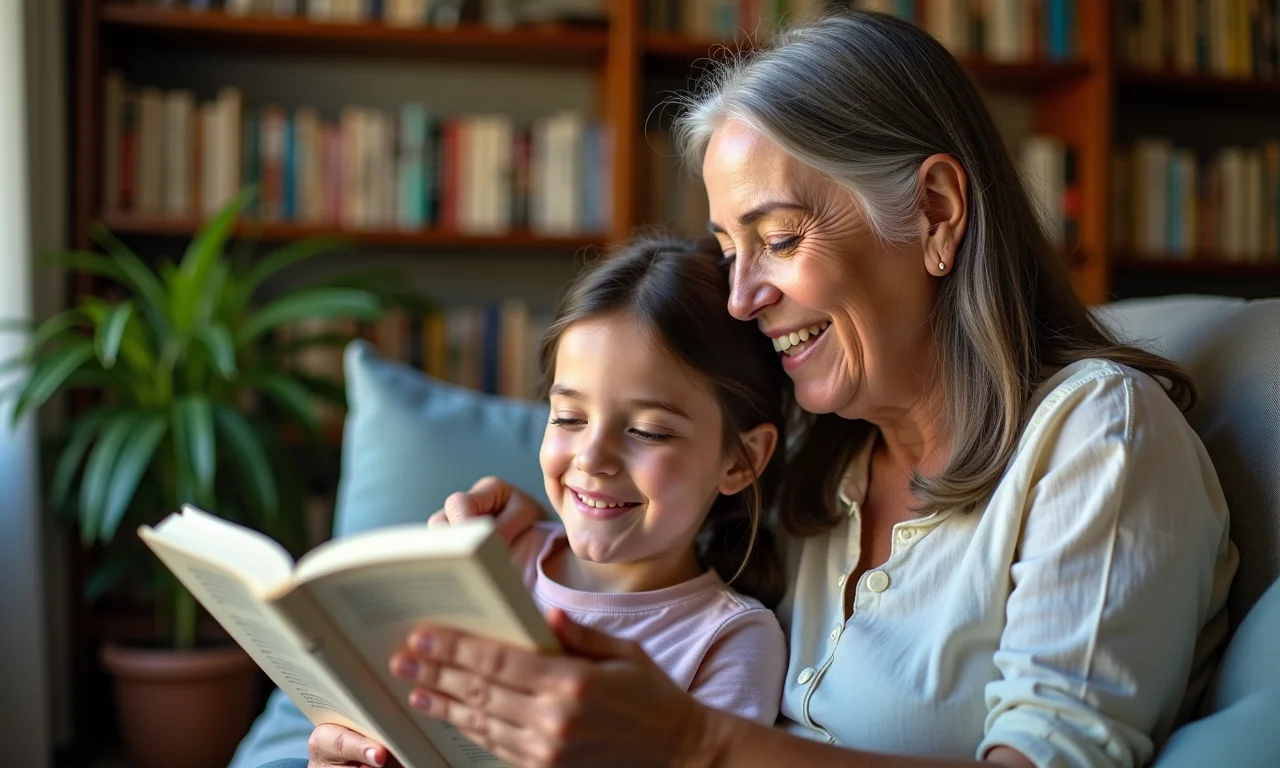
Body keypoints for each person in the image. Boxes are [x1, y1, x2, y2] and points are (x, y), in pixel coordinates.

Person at [374, 11, 1238, 768]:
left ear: (935, 212)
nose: (743, 297)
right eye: (727, 251)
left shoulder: (1097, 437)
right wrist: (517, 559)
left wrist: (692, 745)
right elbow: (655, 549)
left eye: (779, 239)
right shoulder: (818, 467)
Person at [307, 237, 791, 767]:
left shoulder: (730, 640)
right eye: (568, 418)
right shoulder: (493, 561)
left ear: (741, 460)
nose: (593, 458)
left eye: (648, 431)